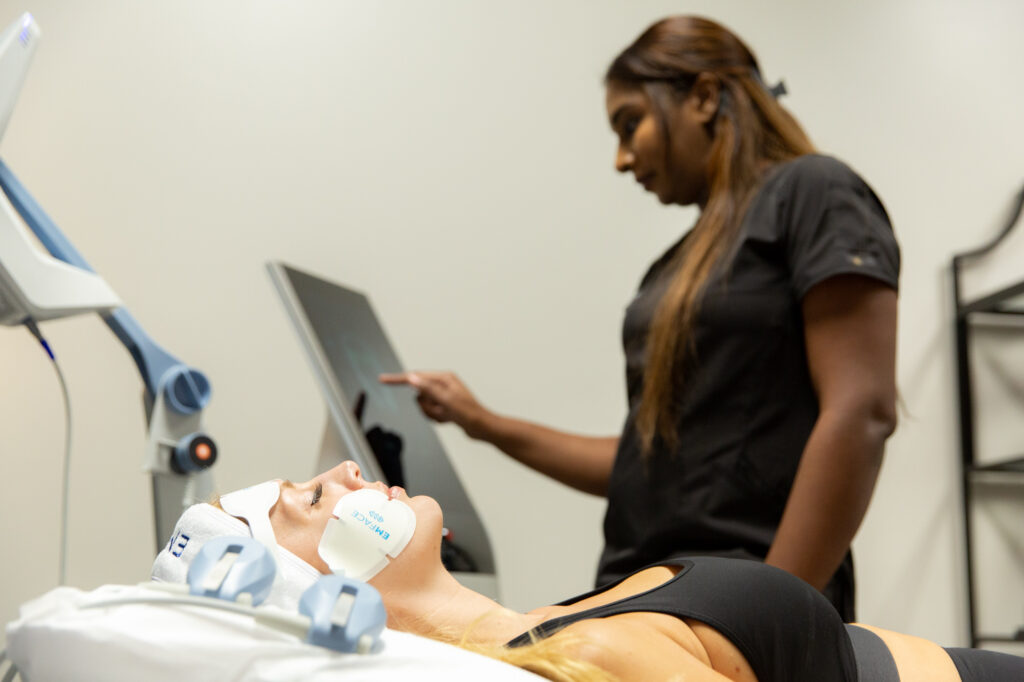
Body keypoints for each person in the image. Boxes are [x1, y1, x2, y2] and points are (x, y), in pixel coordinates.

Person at [379, 14, 900, 620]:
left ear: (704, 97)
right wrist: (483, 422)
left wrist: (772, 618)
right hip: (641, 594)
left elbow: (861, 413)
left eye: (631, 124)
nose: (622, 160)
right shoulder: (676, 267)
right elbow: (646, 462)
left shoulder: (814, 191)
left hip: (738, 602)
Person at [153, 461, 1024, 682]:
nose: (343, 473)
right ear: (318, 588)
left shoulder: (550, 626)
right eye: (308, 499)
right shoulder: (593, 660)